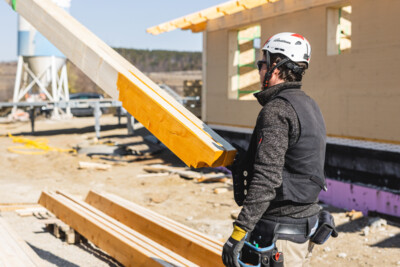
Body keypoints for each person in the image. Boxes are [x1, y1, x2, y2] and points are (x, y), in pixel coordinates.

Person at [222, 32, 337, 267]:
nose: (259, 70)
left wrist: (239, 232)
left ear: (276, 65)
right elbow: (295, 161)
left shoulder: (276, 110)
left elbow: (268, 178)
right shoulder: (309, 105)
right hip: (303, 227)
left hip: (279, 235)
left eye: (261, 63)